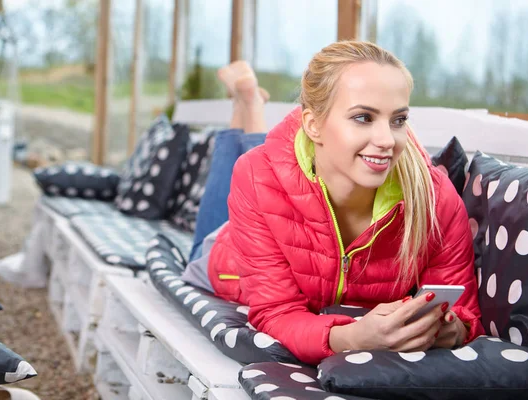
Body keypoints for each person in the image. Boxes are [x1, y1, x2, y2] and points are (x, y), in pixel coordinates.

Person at [184, 41, 484, 366]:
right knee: (253, 168)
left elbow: (464, 311)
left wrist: (449, 329)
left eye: (398, 120)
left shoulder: (434, 199)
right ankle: (249, 102)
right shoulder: (256, 177)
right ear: (312, 124)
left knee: (270, 160)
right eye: (363, 117)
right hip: (228, 258)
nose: (387, 140)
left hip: (297, 173)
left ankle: (249, 101)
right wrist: (352, 337)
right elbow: (276, 312)